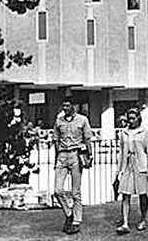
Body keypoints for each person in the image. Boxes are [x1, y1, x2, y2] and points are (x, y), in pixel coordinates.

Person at [53, 99, 93, 235]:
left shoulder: (82, 120)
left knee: (75, 191)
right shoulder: (59, 121)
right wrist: (56, 159)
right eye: (63, 105)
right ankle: (69, 213)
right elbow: (56, 140)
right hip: (62, 156)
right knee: (57, 190)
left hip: (76, 155)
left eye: (67, 105)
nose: (65, 108)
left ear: (74, 106)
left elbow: (87, 139)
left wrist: (90, 156)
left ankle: (76, 221)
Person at [116, 107, 148, 234]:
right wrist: (119, 170)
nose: (131, 121)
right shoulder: (123, 133)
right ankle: (125, 222)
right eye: (129, 118)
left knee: (142, 194)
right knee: (125, 194)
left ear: (139, 118)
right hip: (128, 165)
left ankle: (143, 219)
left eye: (133, 118)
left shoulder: (145, 132)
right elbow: (121, 152)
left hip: (141, 164)